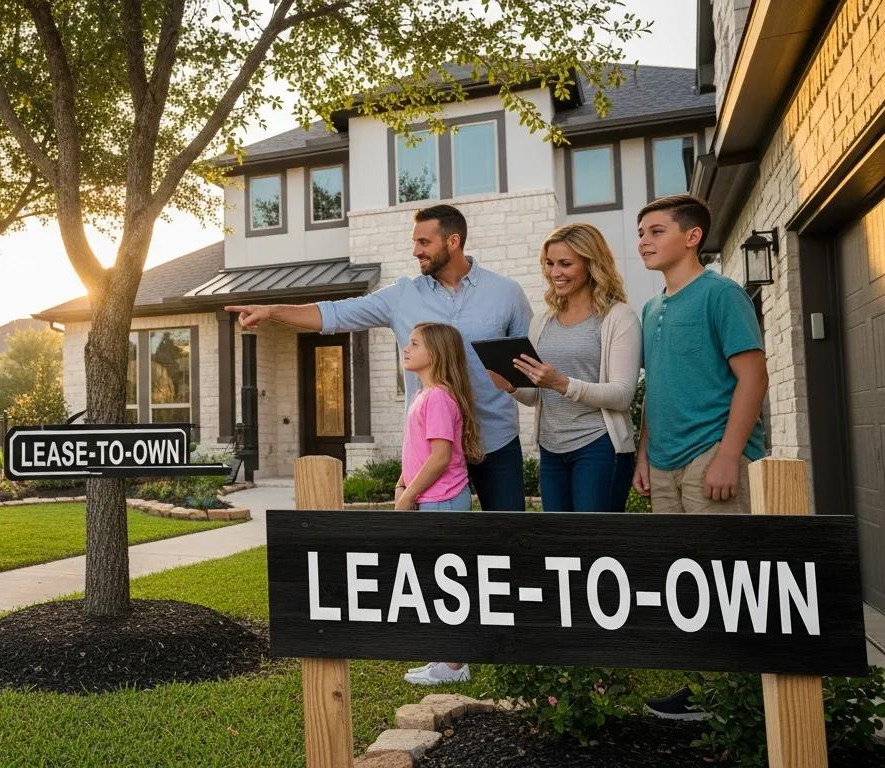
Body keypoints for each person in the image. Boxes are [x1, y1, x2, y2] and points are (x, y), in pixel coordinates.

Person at [226, 204, 533, 511]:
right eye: (415, 242)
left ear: (452, 242)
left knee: (511, 541)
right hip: (431, 448)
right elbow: (337, 314)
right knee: (438, 549)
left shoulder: (506, 293)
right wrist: (272, 311)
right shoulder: (401, 296)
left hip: (495, 440)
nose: (415, 251)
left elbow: (530, 373)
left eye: (424, 242)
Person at [632, 194, 769, 720]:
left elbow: (751, 376)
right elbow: (656, 386)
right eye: (642, 232)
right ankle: (710, 691)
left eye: (656, 231)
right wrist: (645, 454)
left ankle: (739, 700)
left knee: (725, 578)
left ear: (692, 237)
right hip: (663, 460)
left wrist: (730, 454)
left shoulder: (722, 295)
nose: (644, 240)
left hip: (711, 452)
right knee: (686, 580)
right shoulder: (652, 308)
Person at [488, 223, 641, 512]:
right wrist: (511, 385)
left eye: (565, 263)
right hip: (551, 450)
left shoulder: (619, 318)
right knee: (560, 548)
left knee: (593, 545)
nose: (554, 272)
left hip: (599, 447)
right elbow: (536, 395)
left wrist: (562, 383)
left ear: (591, 263)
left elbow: (623, 395)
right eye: (549, 263)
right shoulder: (542, 321)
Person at [393, 322, 482, 686]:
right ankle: (442, 658)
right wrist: (402, 483)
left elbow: (441, 457)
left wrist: (410, 494)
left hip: (443, 501)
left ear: (436, 354)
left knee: (447, 583)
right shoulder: (423, 395)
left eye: (415, 343)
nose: (406, 347)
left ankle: (455, 664)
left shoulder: (440, 398)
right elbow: (417, 452)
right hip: (430, 500)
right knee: (432, 581)